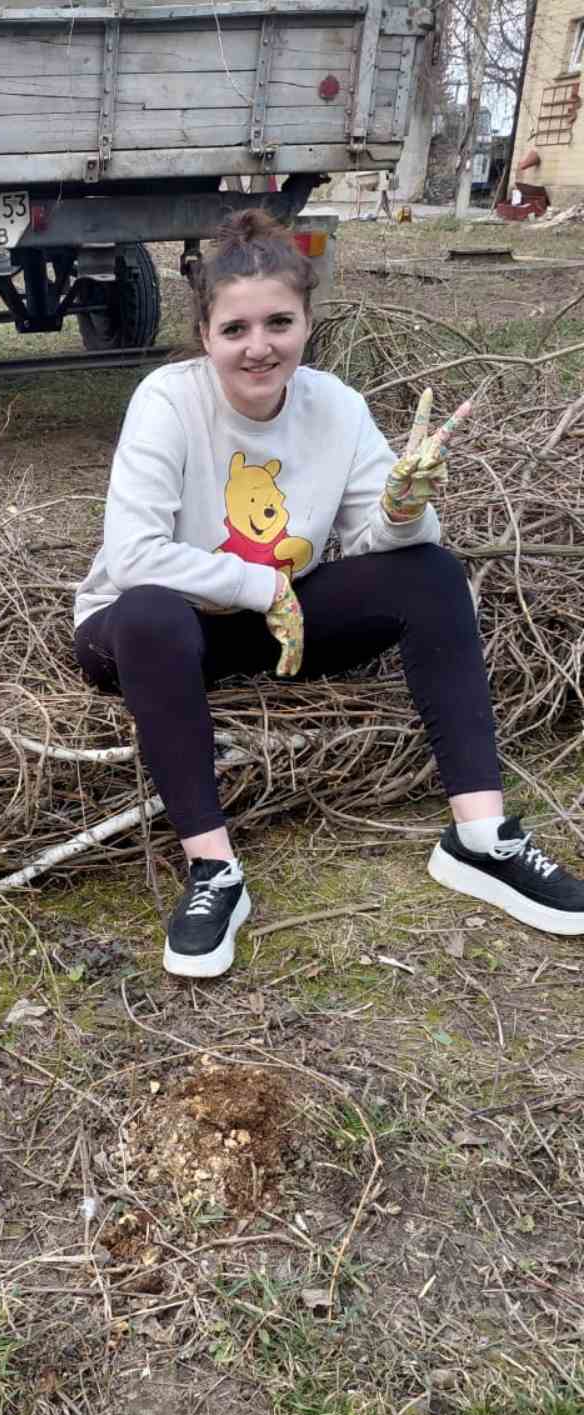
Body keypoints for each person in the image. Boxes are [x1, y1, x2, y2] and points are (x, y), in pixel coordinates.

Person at [74, 210, 584, 979]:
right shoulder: (167, 399)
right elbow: (134, 554)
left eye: (279, 322)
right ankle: (214, 870)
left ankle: (480, 838)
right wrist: (261, 585)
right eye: (235, 328)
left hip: (273, 627)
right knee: (150, 611)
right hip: (153, 635)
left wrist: (406, 508)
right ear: (205, 334)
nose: (259, 345)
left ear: (308, 322)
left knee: (431, 571)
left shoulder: (335, 406)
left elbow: (379, 545)